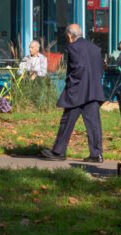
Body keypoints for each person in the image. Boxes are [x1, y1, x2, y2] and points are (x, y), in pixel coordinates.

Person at [40, 24, 105, 163]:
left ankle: (59, 151)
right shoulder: (94, 48)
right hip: (93, 90)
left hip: (77, 91)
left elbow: (77, 69)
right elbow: (100, 69)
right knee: (94, 124)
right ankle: (96, 154)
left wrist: (70, 83)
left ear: (70, 35)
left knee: (67, 121)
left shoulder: (73, 47)